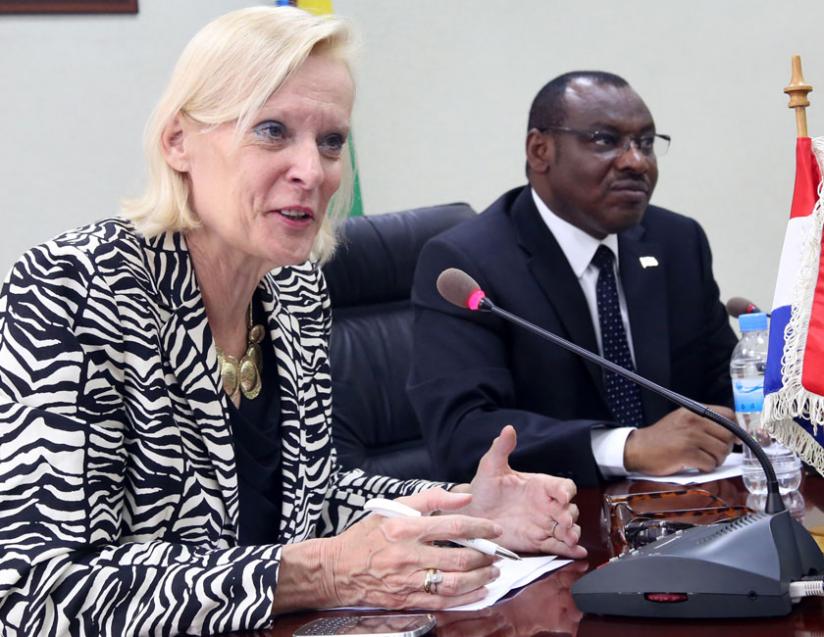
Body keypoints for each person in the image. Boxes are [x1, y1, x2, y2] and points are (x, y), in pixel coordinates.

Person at [0, 10, 585, 636]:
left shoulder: (293, 289)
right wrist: (323, 573)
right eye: (273, 131)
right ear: (177, 142)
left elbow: (311, 498)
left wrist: (469, 511)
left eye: (331, 141)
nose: (314, 171)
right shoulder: (72, 288)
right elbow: (37, 590)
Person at [409, 71, 738, 488]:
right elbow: (462, 435)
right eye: (605, 140)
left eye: (646, 144)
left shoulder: (677, 242)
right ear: (540, 150)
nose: (636, 162)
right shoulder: (468, 264)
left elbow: (726, 384)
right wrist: (627, 447)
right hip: (552, 523)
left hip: (685, 507)